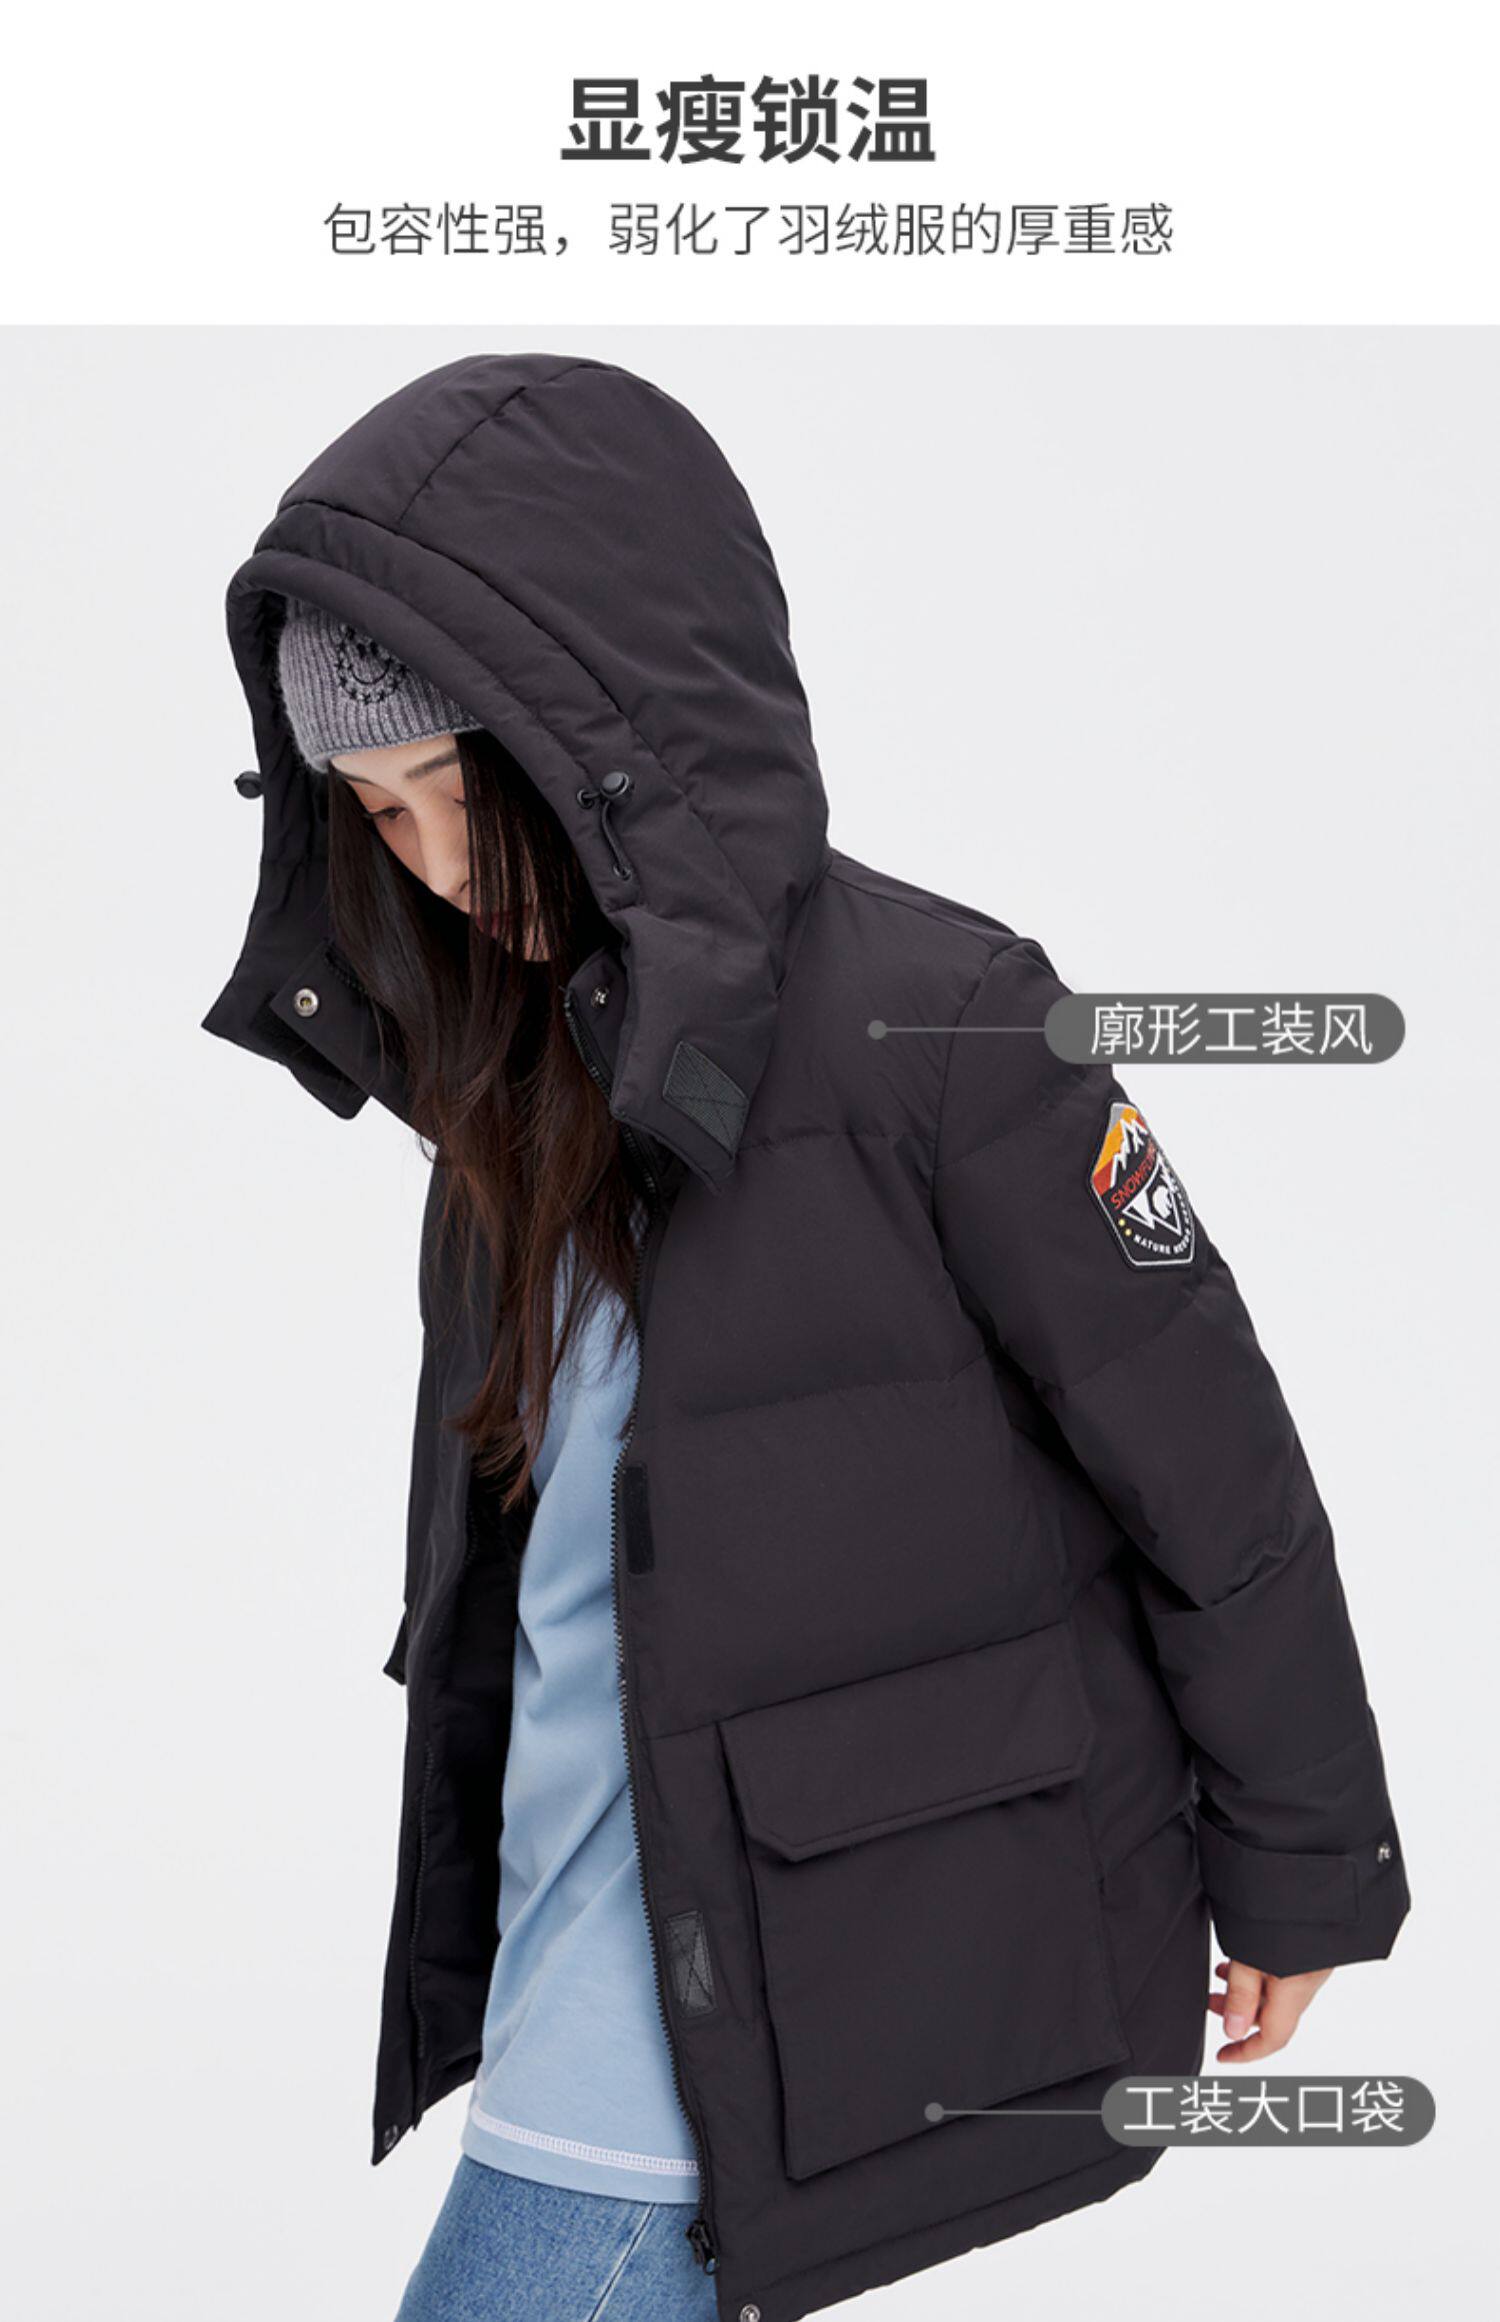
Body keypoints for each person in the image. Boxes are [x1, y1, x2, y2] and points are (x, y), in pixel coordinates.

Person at [202, 353, 1410, 2322]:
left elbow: (1214, 1468)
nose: (432, 866)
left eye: (461, 792)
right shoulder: (508, 1080)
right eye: (377, 813)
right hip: (597, 1939)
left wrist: (1306, 1866)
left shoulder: (954, 1029)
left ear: (618, 738)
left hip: (745, 1997)